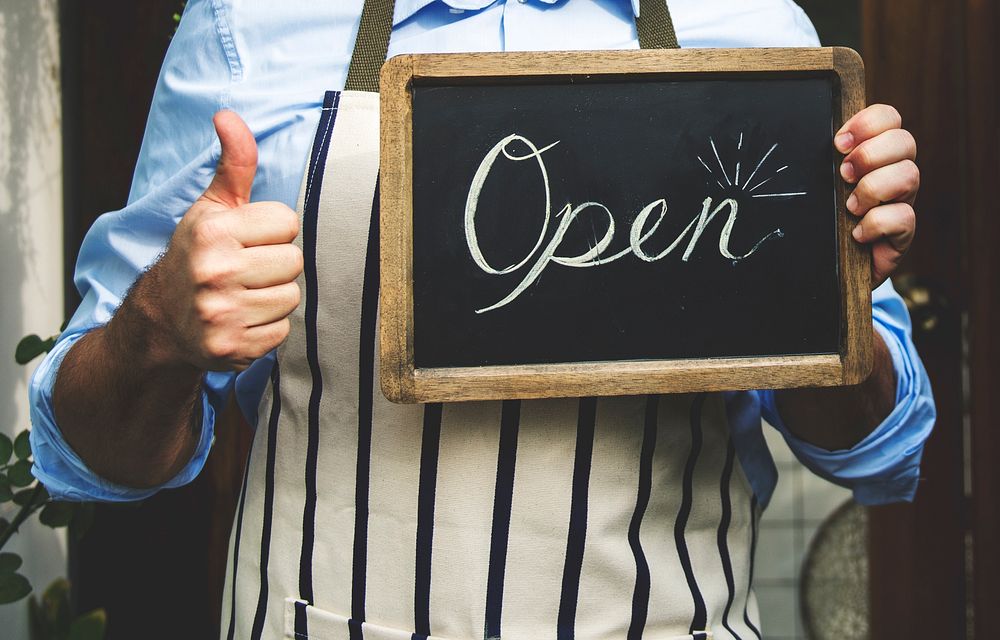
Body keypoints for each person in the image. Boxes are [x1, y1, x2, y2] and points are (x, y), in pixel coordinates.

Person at [29, 1, 934, 638]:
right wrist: (156, 326)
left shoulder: (749, 28)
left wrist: (829, 291)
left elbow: (875, 453)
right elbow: (89, 456)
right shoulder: (248, 25)